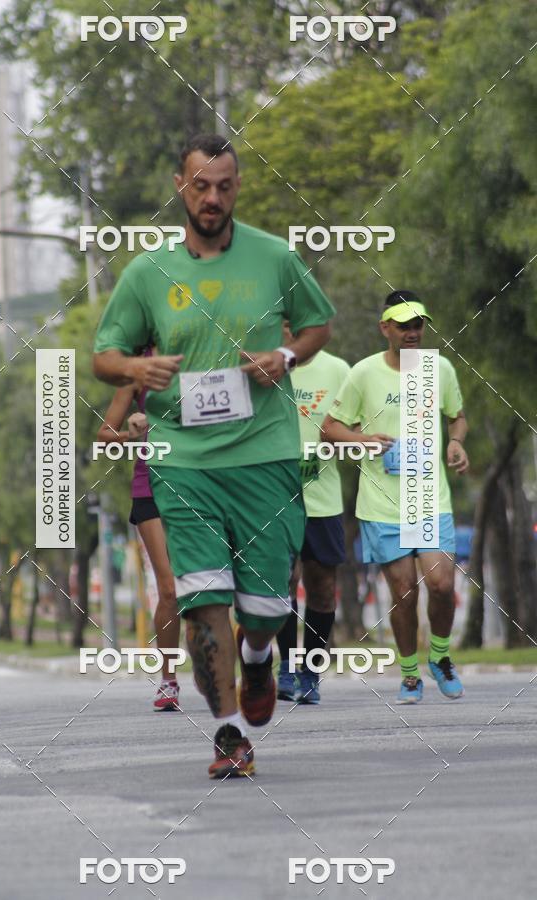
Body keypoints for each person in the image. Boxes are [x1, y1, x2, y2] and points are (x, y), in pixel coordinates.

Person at [93, 133, 333, 777]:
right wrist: (140, 369)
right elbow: (104, 357)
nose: (212, 197)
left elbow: (317, 325)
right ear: (182, 187)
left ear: (237, 187)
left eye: (224, 185)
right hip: (184, 463)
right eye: (200, 185)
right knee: (201, 601)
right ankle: (229, 733)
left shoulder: (275, 257)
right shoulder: (148, 272)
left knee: (266, 609)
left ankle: (259, 660)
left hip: (265, 456)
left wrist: (284, 356)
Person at [322, 291, 469, 704]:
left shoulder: (436, 369)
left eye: (418, 324)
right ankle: (409, 673)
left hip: (428, 496)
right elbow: (330, 428)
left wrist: (455, 443)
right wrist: (364, 439)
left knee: (441, 584)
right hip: (382, 502)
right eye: (403, 325)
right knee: (404, 592)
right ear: (385, 328)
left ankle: (439, 657)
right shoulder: (364, 374)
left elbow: (457, 417)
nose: (412, 332)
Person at [96, 356, 181, 712]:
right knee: (170, 589)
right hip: (153, 486)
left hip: (207, 483)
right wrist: (131, 435)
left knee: (213, 585)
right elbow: (104, 438)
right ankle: (168, 679)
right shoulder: (138, 372)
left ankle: (245, 667)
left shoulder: (207, 358)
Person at [276, 325, 350, 704]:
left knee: (321, 590)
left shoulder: (338, 370)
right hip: (273, 496)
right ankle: (286, 667)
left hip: (323, 499)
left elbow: (352, 426)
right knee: (281, 584)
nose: (285, 328)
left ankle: (312, 672)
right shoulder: (263, 368)